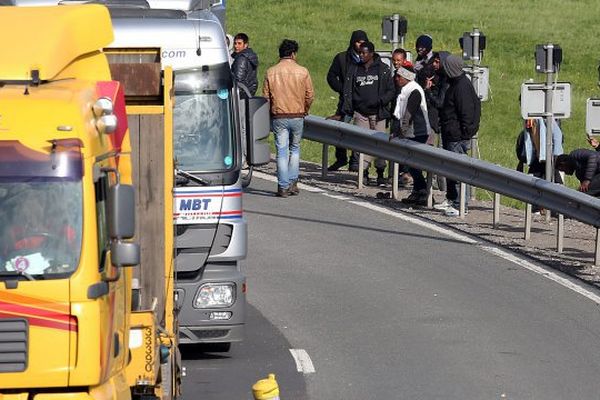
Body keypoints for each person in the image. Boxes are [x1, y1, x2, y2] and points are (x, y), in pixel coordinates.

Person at [262, 39, 314, 197]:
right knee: (295, 149)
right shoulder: (303, 71)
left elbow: (265, 96)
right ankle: (292, 182)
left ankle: (282, 186)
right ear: (293, 54)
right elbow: (310, 95)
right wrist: (305, 109)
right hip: (298, 115)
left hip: (279, 115)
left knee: (282, 151)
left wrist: (270, 112)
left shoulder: (271, 72)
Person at [434, 54, 481, 217]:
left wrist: (464, 133)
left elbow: (467, 113)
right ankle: (453, 198)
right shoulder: (455, 83)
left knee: (459, 171)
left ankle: (462, 204)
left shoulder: (462, 86)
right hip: (451, 134)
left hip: (457, 137)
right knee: (451, 170)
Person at [346, 40, 395, 186]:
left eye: (364, 53)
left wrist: (381, 101)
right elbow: (349, 90)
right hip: (361, 113)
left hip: (378, 114)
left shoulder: (383, 69)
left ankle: (380, 173)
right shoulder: (355, 69)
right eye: (360, 52)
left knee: (380, 145)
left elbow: (391, 91)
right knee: (362, 145)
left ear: (371, 54)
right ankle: (364, 173)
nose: (361, 55)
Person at [326, 30, 369, 172]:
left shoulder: (370, 58)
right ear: (353, 42)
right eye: (358, 42)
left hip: (363, 104)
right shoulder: (342, 58)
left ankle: (355, 162)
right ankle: (341, 158)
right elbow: (331, 76)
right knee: (340, 130)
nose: (361, 45)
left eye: (363, 42)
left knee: (359, 134)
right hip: (346, 102)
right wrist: (342, 89)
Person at [390, 65, 431, 205]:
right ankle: (418, 191)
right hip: (410, 131)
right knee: (410, 163)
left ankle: (423, 191)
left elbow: (409, 113)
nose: (396, 79)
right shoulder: (404, 90)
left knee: (413, 163)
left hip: (418, 132)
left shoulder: (414, 91)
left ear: (406, 77)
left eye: (398, 77)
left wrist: (401, 131)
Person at [231, 33, 259, 97]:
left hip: (241, 96)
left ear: (245, 45)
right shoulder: (249, 56)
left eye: (239, 43)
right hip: (248, 93)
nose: (236, 46)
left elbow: (238, 82)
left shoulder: (241, 59)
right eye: (235, 43)